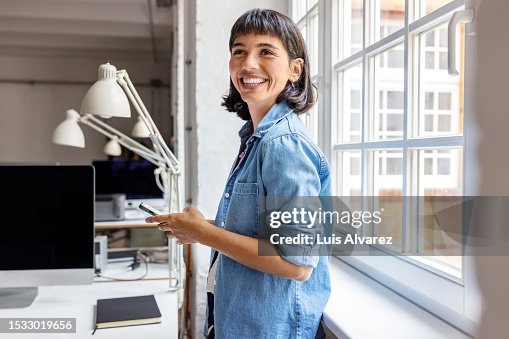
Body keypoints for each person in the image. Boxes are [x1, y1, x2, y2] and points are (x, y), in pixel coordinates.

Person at [146, 8, 331, 339]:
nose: (248, 64)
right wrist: (201, 228)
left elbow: (297, 264)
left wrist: (205, 234)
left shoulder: (284, 144)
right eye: (239, 51)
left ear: (294, 69)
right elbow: (263, 236)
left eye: (266, 51)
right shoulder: (256, 138)